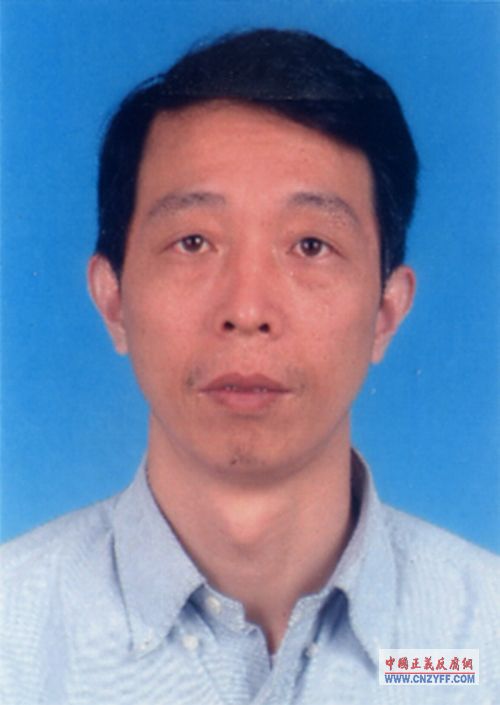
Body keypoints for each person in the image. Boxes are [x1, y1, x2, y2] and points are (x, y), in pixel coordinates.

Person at [1, 28, 498, 705]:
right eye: (193, 241)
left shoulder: (483, 643)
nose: (247, 309)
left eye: (311, 245)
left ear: (386, 311)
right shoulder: (15, 642)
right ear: (113, 300)